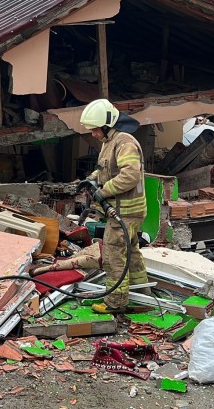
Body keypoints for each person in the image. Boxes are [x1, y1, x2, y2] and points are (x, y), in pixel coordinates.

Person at [78, 99, 148, 314]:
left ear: (107, 125)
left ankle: (115, 302)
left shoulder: (124, 142)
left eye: (94, 129)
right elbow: (105, 169)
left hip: (125, 211)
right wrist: (91, 179)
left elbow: (130, 175)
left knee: (113, 255)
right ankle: (141, 295)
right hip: (127, 211)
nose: (92, 134)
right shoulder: (111, 142)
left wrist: (103, 191)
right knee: (131, 252)